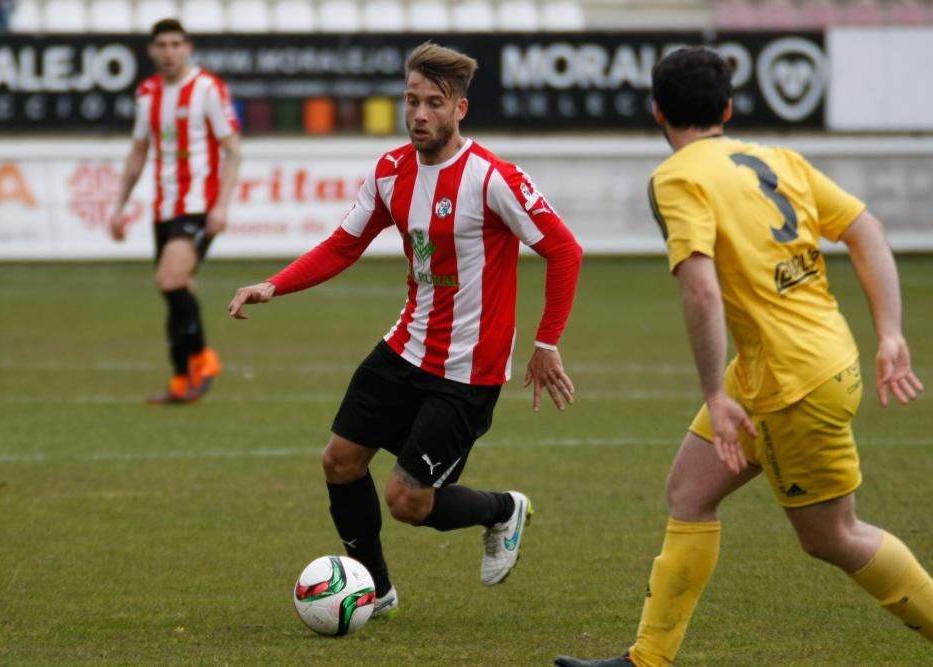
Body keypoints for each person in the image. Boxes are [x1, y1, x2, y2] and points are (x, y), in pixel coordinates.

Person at [556, 46, 930, 667]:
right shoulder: (776, 158)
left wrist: (713, 396)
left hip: (793, 380)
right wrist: (889, 333)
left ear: (657, 112)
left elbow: (700, 286)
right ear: (727, 107)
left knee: (834, 536)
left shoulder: (677, 177)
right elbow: (868, 231)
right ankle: (647, 659)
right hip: (792, 362)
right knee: (689, 492)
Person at [229, 42, 583, 616]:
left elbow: (565, 250)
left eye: (434, 104)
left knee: (407, 501)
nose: (419, 114)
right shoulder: (391, 171)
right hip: (404, 348)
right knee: (339, 462)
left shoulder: (494, 179)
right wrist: (276, 283)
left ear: (460, 109)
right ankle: (375, 588)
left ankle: (502, 510)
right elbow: (345, 243)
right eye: (411, 101)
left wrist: (546, 343)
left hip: (467, 372)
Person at [109, 18, 241, 404]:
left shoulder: (207, 89)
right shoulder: (147, 93)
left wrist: (222, 205)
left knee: (169, 279)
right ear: (151, 50)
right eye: (161, 45)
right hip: (163, 208)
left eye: (175, 44)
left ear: (188, 47)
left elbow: (233, 149)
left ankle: (203, 361)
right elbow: (139, 152)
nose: (168, 52)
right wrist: (118, 206)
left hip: (199, 206)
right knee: (176, 289)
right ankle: (182, 378)